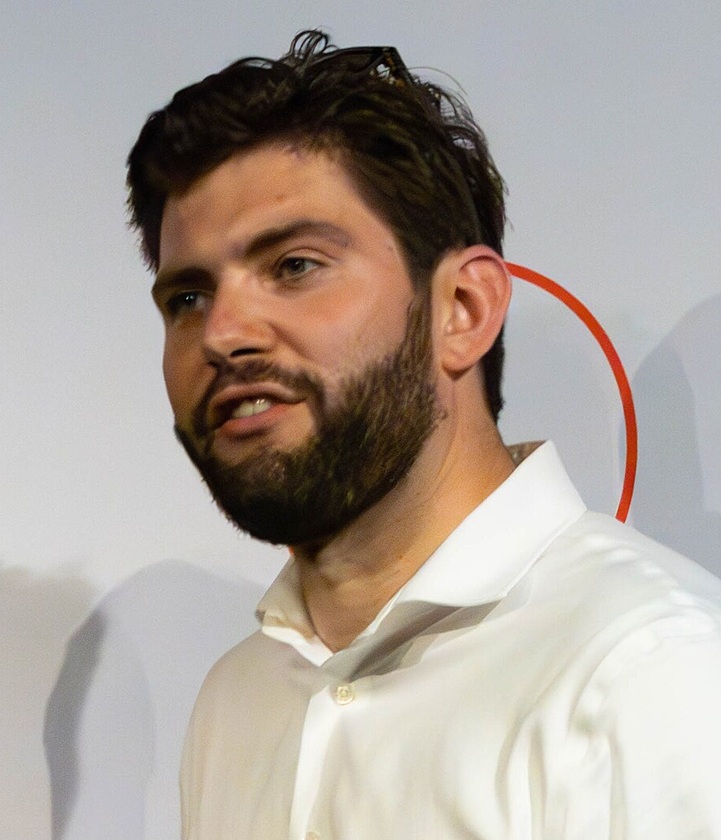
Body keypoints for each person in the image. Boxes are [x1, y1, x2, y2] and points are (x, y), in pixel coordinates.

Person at [126, 30, 721, 840]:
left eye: (295, 265)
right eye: (187, 298)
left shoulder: (652, 671)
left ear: (463, 310)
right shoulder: (236, 700)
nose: (223, 334)